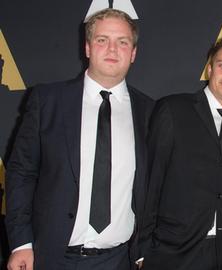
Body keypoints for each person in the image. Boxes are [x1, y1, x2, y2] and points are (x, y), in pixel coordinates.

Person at [5, 8, 153, 270]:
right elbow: (21, 173)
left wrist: (144, 252)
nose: (112, 49)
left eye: (122, 42)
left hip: (119, 261)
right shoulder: (48, 101)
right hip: (50, 257)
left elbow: (154, 189)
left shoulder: (150, 113)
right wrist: (21, 244)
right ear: (87, 48)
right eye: (102, 40)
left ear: (133, 53)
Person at [138, 32, 222, 270]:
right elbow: (149, 182)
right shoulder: (172, 110)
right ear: (209, 70)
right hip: (171, 253)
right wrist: (141, 250)